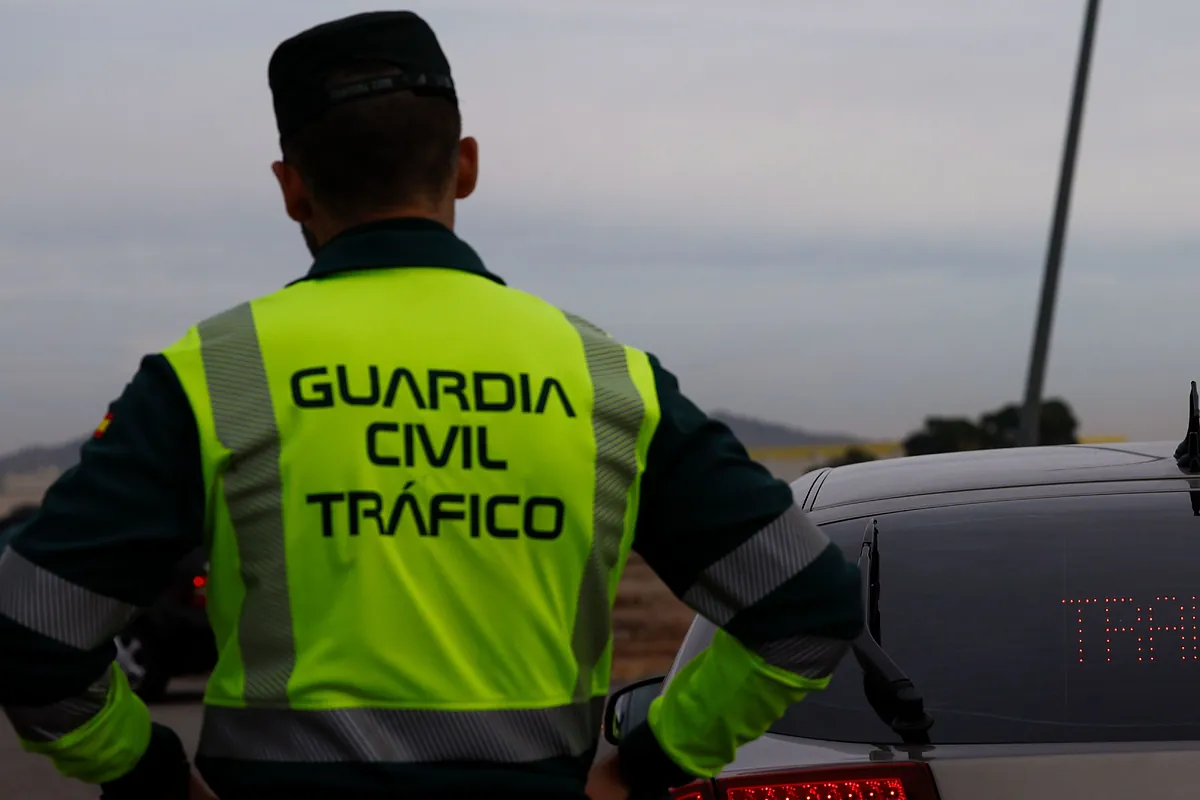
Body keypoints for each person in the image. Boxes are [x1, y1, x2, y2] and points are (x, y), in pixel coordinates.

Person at [0, 10, 863, 800]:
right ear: (466, 165)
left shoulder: (212, 376)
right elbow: (807, 607)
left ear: (291, 187)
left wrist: (149, 775)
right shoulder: (605, 381)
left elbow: (30, 631)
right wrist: (648, 766)